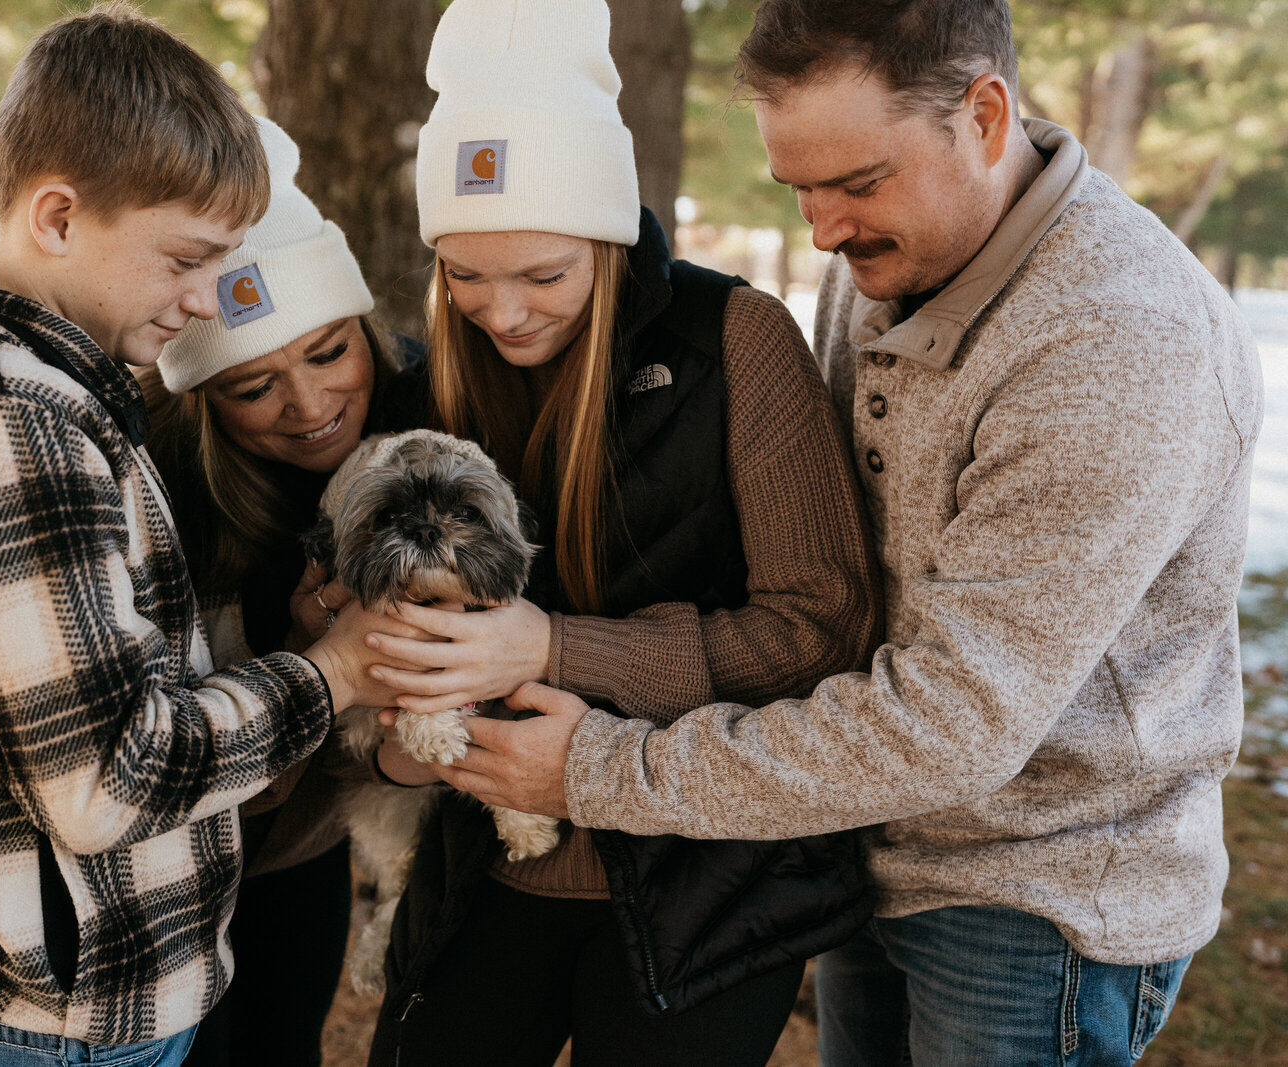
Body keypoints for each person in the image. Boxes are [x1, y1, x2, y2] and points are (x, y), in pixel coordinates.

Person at [433, 2, 1265, 1064]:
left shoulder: (1113, 347)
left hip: (1035, 897)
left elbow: (951, 723)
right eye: (799, 190)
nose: (822, 230)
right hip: (865, 841)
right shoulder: (897, 249)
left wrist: (599, 768)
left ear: (986, 115)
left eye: (859, 182)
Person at [0, 8, 401, 1065]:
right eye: (186, 261)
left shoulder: (60, 395)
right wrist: (328, 670)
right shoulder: (16, 430)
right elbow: (112, 781)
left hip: (96, 1006)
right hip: (60, 1026)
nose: (205, 301)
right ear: (57, 218)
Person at [348, 1, 885, 1063]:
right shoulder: (430, 382)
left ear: (605, 233)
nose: (500, 312)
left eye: (543, 274)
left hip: (707, 880)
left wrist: (553, 646)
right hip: (485, 863)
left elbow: (822, 629)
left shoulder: (733, 343)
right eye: (464, 274)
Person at [135, 116, 420, 1067]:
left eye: (331, 351)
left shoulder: (424, 434)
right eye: (254, 387)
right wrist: (301, 660)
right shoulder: (167, 496)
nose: (308, 406)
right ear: (202, 403)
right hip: (166, 871)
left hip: (299, 854)